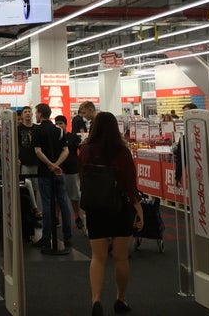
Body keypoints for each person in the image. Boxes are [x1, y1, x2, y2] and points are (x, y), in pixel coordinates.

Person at [78, 111, 144, 316]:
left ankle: (96, 299)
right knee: (120, 257)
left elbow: (83, 179)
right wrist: (138, 208)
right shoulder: (122, 152)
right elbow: (130, 184)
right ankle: (121, 299)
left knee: (97, 257)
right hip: (119, 208)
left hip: (95, 207)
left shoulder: (85, 150)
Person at [32, 102, 73, 250]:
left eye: (36, 113)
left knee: (47, 204)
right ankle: (68, 236)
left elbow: (37, 151)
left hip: (45, 171)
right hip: (59, 171)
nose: (34, 115)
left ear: (41, 114)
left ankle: (46, 237)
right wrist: (56, 165)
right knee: (63, 202)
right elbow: (66, 150)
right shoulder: (59, 130)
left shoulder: (37, 130)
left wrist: (50, 164)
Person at [55, 114, 84, 230]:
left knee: (74, 197)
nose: (58, 126)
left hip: (72, 170)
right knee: (57, 197)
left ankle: (78, 218)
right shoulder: (54, 138)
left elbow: (82, 149)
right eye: (56, 124)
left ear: (66, 125)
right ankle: (56, 218)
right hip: (59, 170)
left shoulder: (73, 137)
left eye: (61, 123)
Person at [17, 105, 42, 217]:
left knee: (35, 188)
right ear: (22, 115)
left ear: (32, 114)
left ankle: (34, 209)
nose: (27, 113)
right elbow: (16, 144)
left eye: (29, 111)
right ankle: (28, 210)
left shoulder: (37, 128)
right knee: (26, 187)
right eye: (25, 112)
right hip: (24, 162)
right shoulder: (18, 129)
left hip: (36, 162)